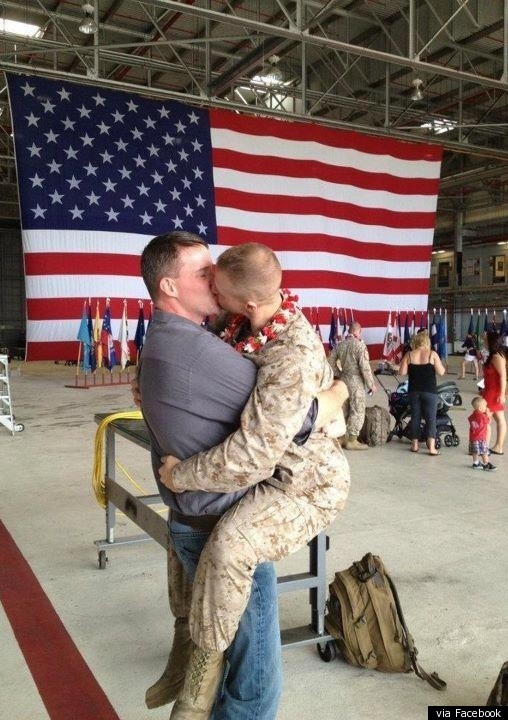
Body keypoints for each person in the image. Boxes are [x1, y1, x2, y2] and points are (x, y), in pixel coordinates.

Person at [137, 232, 348, 720]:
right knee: (199, 539)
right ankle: (190, 652)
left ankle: (198, 672)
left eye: (217, 277)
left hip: (301, 482)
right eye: (204, 273)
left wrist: (326, 404)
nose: (213, 283)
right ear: (170, 286)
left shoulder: (287, 350)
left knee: (232, 545)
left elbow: (260, 445)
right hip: (259, 479)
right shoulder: (228, 327)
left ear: (248, 300)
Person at [327, 320, 377, 449]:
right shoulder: (360, 346)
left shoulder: (340, 345)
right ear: (358, 332)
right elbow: (365, 367)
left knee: (344, 408)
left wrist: (339, 374)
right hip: (356, 381)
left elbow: (330, 361)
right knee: (357, 409)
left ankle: (341, 436)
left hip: (343, 380)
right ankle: (351, 439)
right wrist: (371, 384)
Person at [399, 329, 446, 455]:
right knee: (431, 419)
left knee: (415, 417)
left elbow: (402, 373)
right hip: (430, 391)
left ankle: (414, 445)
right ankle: (431, 448)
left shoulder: (409, 354)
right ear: (427, 342)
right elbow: (441, 372)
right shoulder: (432, 354)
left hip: (414, 391)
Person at [481, 330, 507, 455]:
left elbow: (503, 376)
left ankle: (484, 447)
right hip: (489, 390)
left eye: (485, 339)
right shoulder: (493, 355)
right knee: (498, 419)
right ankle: (498, 447)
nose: (483, 341)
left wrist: (502, 394)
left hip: (493, 393)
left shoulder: (497, 356)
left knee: (485, 419)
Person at [468, 396, 496, 471]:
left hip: (473, 437)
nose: (486, 407)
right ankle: (486, 463)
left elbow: (470, 419)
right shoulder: (482, 416)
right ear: (480, 408)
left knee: (475, 451)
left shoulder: (473, 415)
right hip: (481, 437)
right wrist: (488, 415)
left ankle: (475, 463)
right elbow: (488, 422)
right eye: (485, 406)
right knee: (484, 451)